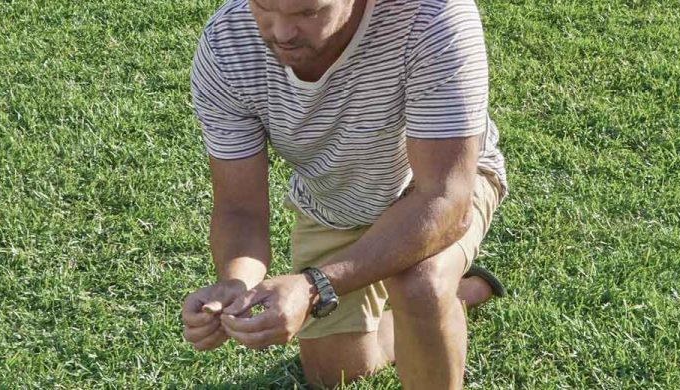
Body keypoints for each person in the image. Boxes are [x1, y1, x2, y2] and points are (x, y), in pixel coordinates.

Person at [178, 0, 510, 388]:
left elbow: (445, 199)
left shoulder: (433, 16)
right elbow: (240, 209)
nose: (282, 32)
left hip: (431, 186)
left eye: (308, 13)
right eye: (264, 7)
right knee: (333, 374)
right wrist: (234, 284)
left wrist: (313, 285)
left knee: (419, 283)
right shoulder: (226, 44)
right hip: (333, 202)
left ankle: (429, 300)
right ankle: (461, 293)